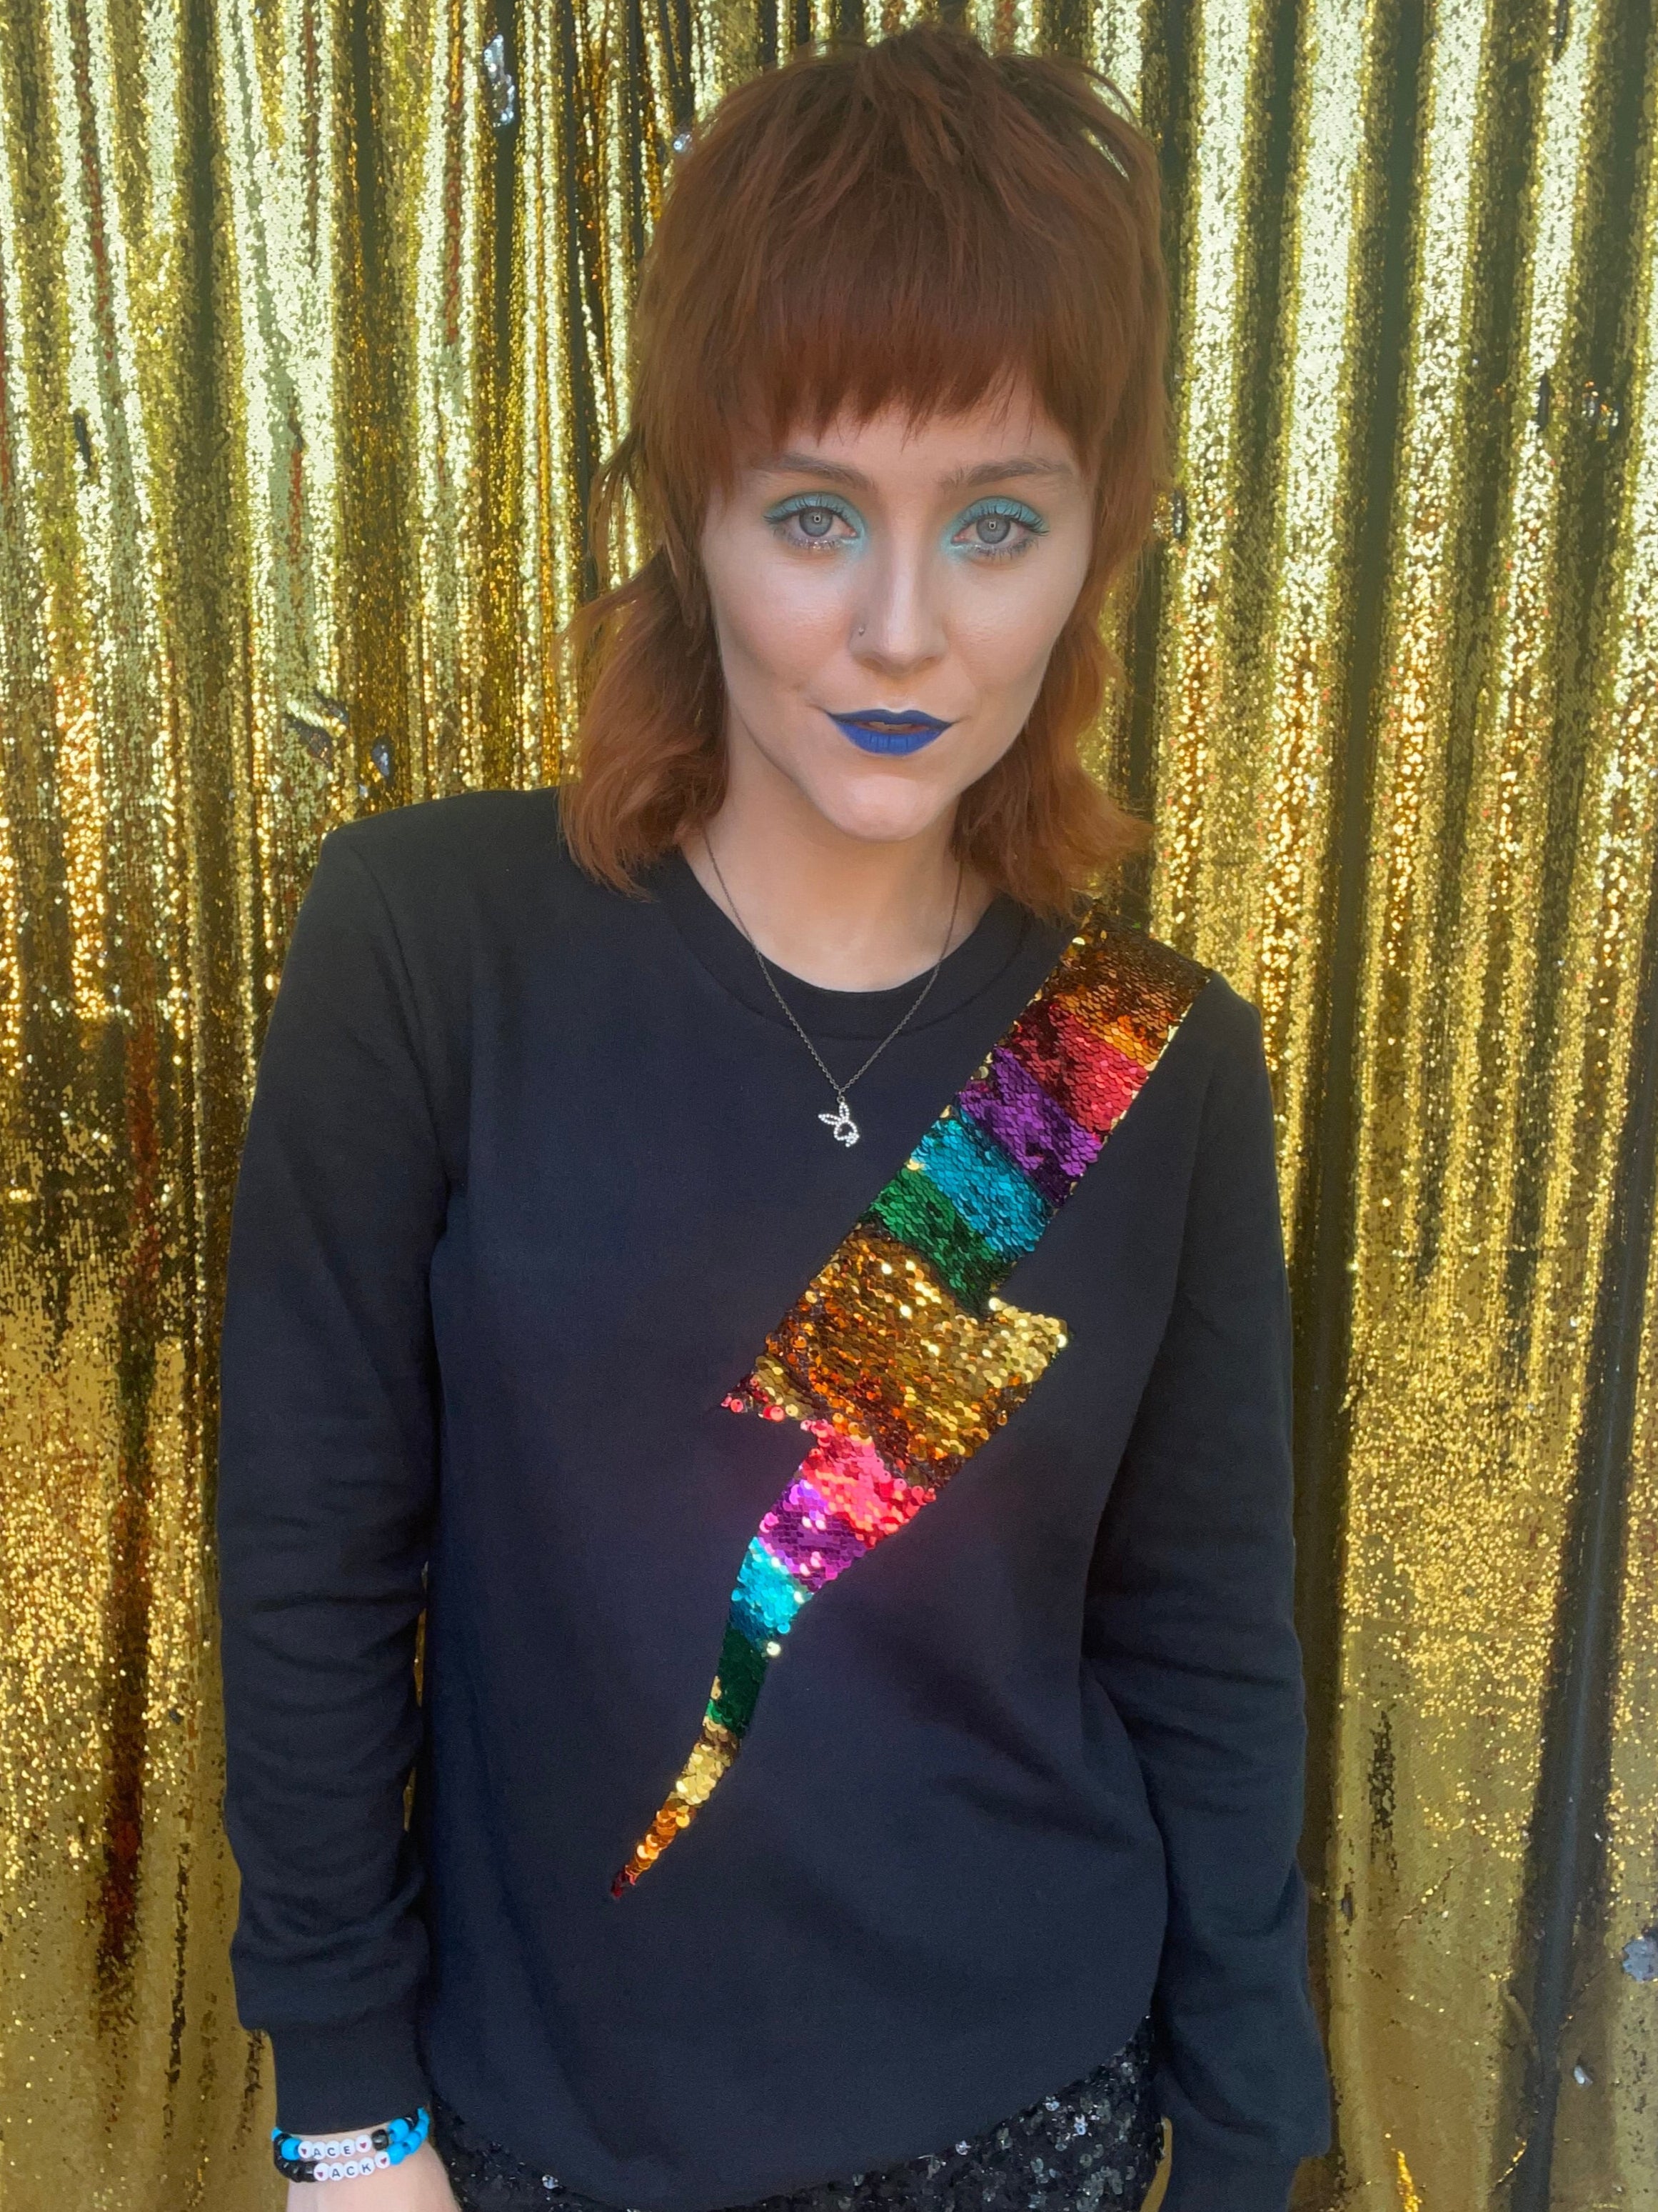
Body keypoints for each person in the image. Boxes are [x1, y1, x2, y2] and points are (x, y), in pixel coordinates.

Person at [215, 23, 1332, 2212]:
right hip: (538, 2140)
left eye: (994, 520)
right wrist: (345, 2106)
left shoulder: (1138, 1051)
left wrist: (1243, 2140)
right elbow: (315, 1547)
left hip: (1033, 2118)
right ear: (691, 510)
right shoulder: (434, 944)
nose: (899, 627)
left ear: (1096, 538)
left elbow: (1203, 1634)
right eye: (814, 511)